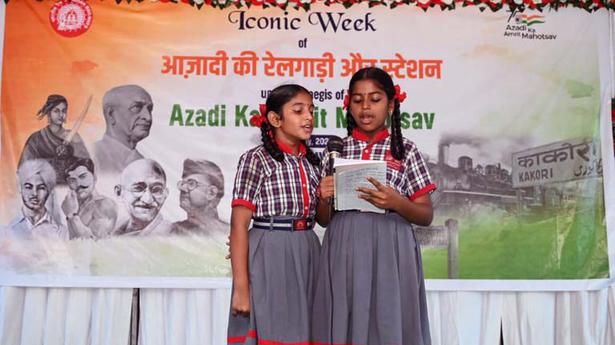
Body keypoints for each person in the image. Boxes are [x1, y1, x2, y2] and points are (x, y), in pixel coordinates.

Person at [311, 67, 436, 345]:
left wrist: (398, 202)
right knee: (345, 317)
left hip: (391, 249)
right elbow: (323, 220)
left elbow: (426, 214)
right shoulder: (336, 150)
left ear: (390, 104)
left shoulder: (406, 150)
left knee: (389, 319)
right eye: (357, 100)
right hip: (344, 247)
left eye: (375, 99)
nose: (365, 107)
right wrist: (324, 197)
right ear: (348, 104)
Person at [227, 84, 321, 345]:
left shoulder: (313, 162)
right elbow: (238, 225)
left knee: (307, 328)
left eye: (312, 111)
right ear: (275, 119)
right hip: (270, 249)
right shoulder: (257, 159)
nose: (309, 117)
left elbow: (323, 218)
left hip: (308, 248)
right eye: (298, 110)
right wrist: (242, 291)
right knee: (273, 326)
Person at [18, 94, 90, 185]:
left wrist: (69, 156)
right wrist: (52, 162)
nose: (61, 115)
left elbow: (87, 164)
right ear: (49, 113)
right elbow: (24, 168)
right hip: (44, 189)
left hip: (70, 187)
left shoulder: (74, 137)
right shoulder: (36, 138)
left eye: (64, 111)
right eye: (56, 111)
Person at [92, 85, 153, 176]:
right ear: (111, 114)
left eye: (149, 109)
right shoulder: (90, 156)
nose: (148, 117)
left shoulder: (146, 166)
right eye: (136, 107)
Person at [7, 159, 68, 240]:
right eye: (28, 187)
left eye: (41, 188)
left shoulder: (61, 232)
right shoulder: (8, 230)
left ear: (49, 191)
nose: (35, 193)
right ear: (20, 188)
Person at [113, 158, 172, 236]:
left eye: (157, 189)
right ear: (119, 193)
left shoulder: (171, 234)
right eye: (138, 188)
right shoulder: (114, 228)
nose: (148, 199)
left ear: (165, 194)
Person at [172, 159, 229, 239]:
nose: (183, 188)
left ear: (211, 193)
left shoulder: (229, 234)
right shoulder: (172, 231)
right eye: (183, 183)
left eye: (191, 183)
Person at [62, 158, 118, 239]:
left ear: (94, 177)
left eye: (83, 177)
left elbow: (95, 242)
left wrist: (71, 215)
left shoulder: (105, 204)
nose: (78, 184)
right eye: (72, 180)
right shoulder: (74, 205)